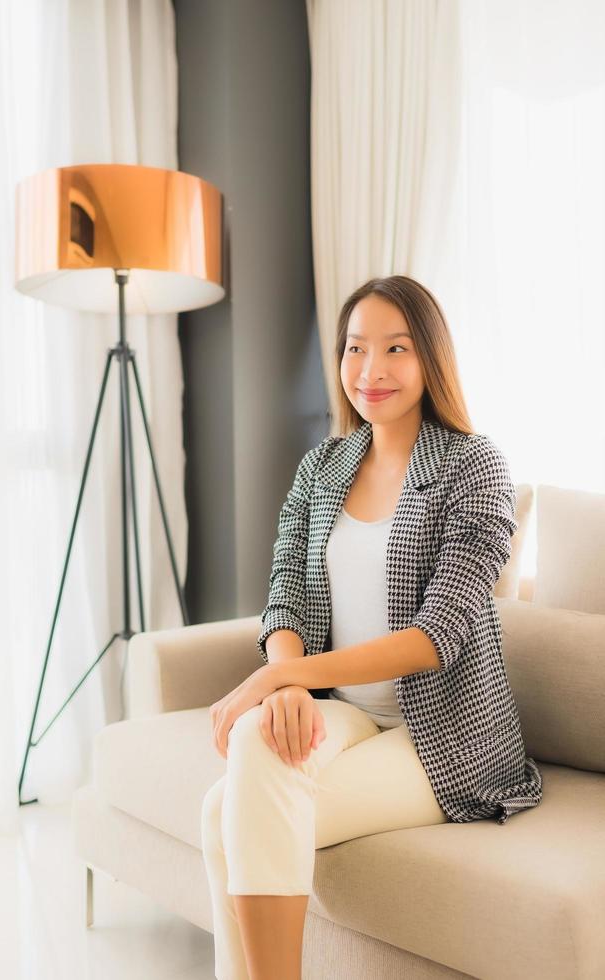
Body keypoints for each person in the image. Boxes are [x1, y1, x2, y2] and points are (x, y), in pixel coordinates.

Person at [200, 274, 543, 980]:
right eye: (356, 349)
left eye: (396, 349)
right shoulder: (323, 466)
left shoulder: (475, 467)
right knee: (250, 755)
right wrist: (289, 684)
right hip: (349, 711)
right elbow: (286, 590)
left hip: (443, 736)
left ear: (431, 360)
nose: (371, 371)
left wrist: (281, 675)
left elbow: (435, 636)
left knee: (226, 812)